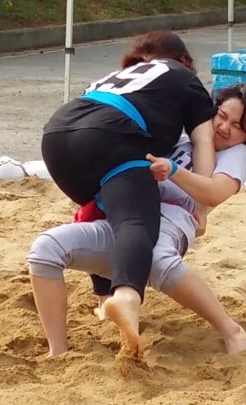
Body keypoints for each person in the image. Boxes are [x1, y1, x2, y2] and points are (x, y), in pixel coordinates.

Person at [29, 83, 246, 358]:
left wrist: (173, 171)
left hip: (171, 219)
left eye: (237, 125)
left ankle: (231, 330)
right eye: (221, 115)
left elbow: (216, 192)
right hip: (128, 212)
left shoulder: (236, 153)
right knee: (46, 248)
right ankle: (58, 351)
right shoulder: (182, 133)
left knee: (157, 259)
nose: (224, 127)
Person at [40, 31, 217, 358]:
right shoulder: (182, 76)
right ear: (183, 60)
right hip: (111, 136)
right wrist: (201, 206)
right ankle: (125, 295)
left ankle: (95, 306)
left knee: (107, 214)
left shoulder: (115, 77)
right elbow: (204, 141)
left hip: (56, 137)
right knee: (137, 222)